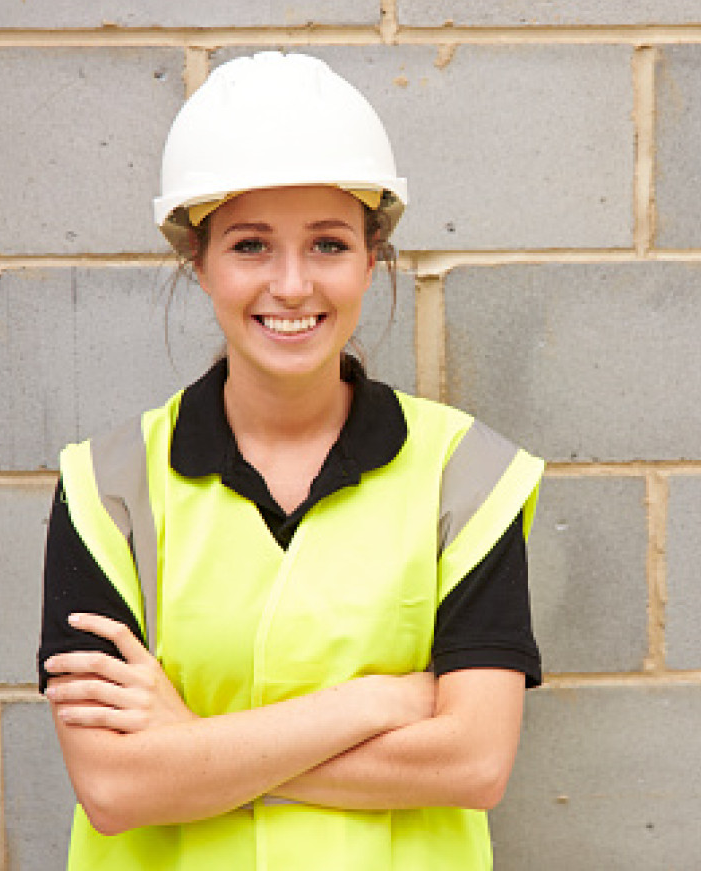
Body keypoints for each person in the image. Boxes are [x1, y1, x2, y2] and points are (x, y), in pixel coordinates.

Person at [37, 51, 544, 869]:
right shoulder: (107, 488)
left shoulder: (466, 475)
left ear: (371, 259)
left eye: (329, 243)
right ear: (197, 262)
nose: (293, 283)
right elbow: (116, 788)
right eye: (250, 245)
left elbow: (475, 763)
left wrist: (193, 750)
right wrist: (376, 700)